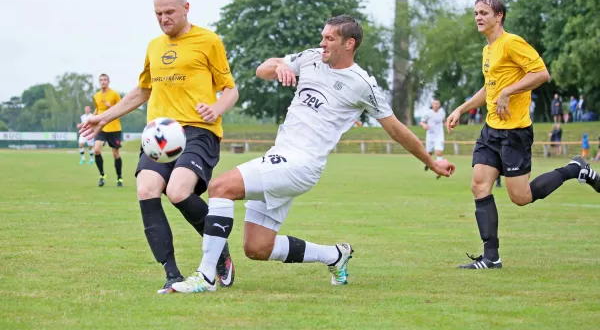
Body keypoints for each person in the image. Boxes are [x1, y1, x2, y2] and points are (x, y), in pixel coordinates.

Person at [170, 15, 456, 294]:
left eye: (329, 38)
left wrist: (431, 161)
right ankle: (334, 255)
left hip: (301, 164)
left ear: (349, 43)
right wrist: (280, 66)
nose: (322, 43)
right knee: (257, 248)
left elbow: (396, 130)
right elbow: (262, 69)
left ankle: (206, 278)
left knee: (220, 187)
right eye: (322, 37)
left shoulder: (362, 84)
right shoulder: (310, 57)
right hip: (280, 156)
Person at [80, 0, 239, 293]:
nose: (164, 18)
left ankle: (220, 252)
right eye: (158, 13)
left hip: (197, 131)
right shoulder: (154, 46)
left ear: (185, 9)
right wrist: (104, 116)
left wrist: (216, 108)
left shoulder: (208, 40)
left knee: (179, 191)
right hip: (159, 133)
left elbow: (230, 89)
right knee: (146, 189)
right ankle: (172, 275)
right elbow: (142, 90)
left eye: (169, 12)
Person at [446, 0, 600, 270]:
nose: (478, 18)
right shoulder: (488, 50)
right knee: (479, 185)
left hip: (515, 132)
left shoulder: (512, 43)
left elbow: (541, 73)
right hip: (491, 130)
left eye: (484, 13)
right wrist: (462, 108)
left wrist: (509, 91)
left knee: (520, 197)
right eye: (476, 13)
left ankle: (574, 168)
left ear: (499, 16)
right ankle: (491, 257)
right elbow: (489, 88)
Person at [92, 74, 123, 187]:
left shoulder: (114, 94)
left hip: (114, 128)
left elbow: (121, 109)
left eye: (105, 80)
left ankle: (119, 178)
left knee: (115, 154)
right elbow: (97, 109)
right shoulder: (96, 96)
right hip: (101, 128)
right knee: (96, 150)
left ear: (109, 81)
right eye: (101, 80)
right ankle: (102, 175)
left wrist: (111, 108)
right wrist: (90, 118)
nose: (103, 82)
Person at [420, 98, 446, 173]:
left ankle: (439, 168)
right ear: (432, 105)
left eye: (437, 103)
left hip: (439, 135)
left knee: (439, 151)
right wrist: (424, 125)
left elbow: (443, 121)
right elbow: (422, 122)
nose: (436, 105)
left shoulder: (442, 113)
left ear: (439, 105)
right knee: (429, 153)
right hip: (430, 136)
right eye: (434, 103)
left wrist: (447, 124)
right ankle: (427, 164)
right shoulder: (428, 113)